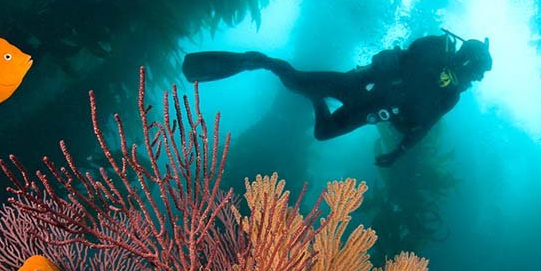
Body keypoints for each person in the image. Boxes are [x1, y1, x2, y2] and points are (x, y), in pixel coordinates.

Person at [181, 31, 493, 167]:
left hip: (372, 111)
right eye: (477, 74)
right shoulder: (437, 48)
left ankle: (314, 97)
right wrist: (386, 58)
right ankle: (261, 61)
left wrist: (398, 152)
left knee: (322, 131)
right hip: (357, 85)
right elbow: (398, 55)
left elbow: (421, 128)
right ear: (469, 62)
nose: (475, 81)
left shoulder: (451, 96)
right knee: (295, 80)